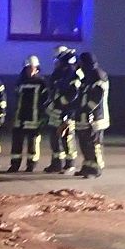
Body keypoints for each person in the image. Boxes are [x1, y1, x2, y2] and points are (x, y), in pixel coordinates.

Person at [44, 46, 82, 175]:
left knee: (67, 138)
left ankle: (70, 164)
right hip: (56, 110)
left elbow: (74, 93)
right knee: (54, 137)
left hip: (67, 111)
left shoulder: (73, 72)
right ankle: (56, 163)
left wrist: (62, 103)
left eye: (58, 59)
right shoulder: (60, 72)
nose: (56, 62)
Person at [7, 55, 48, 173]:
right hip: (20, 117)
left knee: (33, 143)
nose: (29, 70)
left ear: (37, 68)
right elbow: (16, 98)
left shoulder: (42, 83)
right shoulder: (20, 82)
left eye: (32, 68)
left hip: (35, 118)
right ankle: (15, 165)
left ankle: (31, 165)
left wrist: (43, 117)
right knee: (16, 143)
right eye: (27, 68)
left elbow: (45, 100)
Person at [75, 52, 111, 178]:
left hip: (96, 118)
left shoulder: (98, 75)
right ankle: (88, 166)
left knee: (94, 144)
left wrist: (87, 110)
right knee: (85, 144)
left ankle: (96, 168)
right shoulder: (88, 75)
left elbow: (97, 97)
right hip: (85, 117)